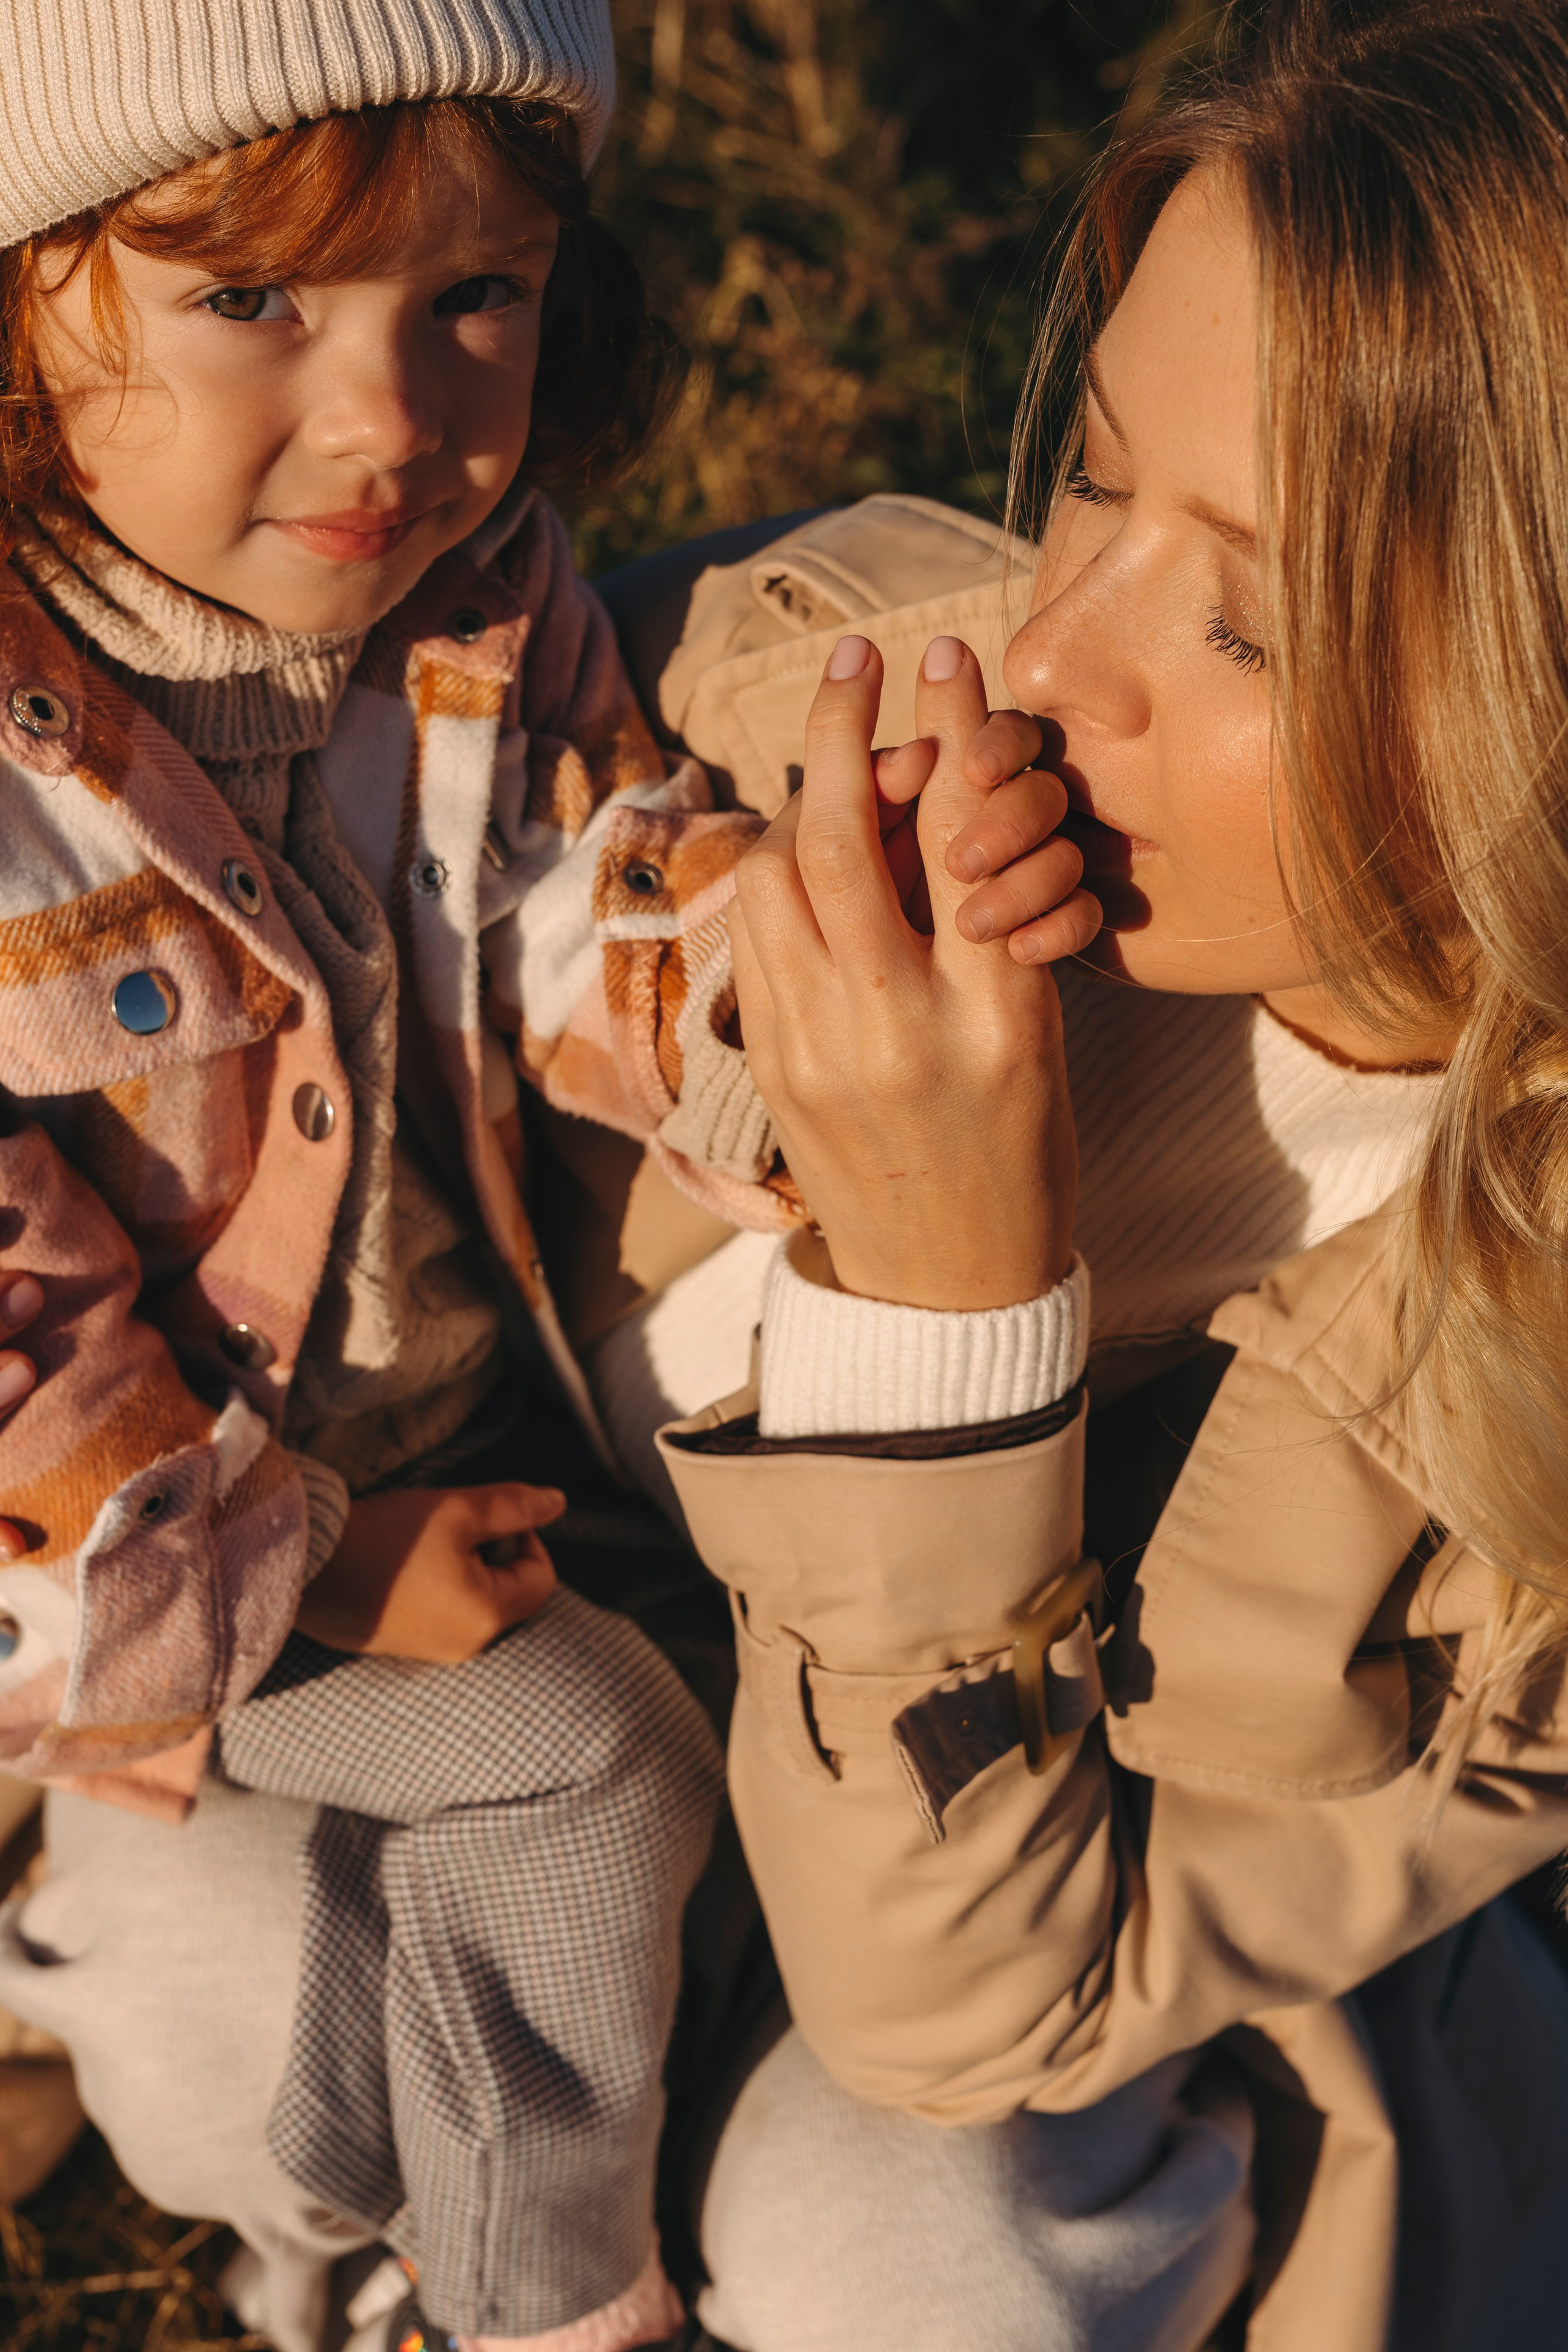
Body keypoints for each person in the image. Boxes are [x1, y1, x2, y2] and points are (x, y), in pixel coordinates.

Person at [0, 9, 1072, 2345]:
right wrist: (319, 1573)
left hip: (447, 1453)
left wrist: (820, 948)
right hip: (137, 1573)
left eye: (475, 298)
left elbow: (599, 895)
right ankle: (549, 2301)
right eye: (254, 298)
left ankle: (486, 2166)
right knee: (590, 1758)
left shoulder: (474, 608)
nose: (397, 421)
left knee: (647, 1751)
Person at [655, 4, 1568, 2348]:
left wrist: (945, 1316)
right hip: (589, 1734)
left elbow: (965, 2023)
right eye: (1083, 473)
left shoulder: (1530, 1458)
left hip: (1068, 1998)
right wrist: (692, 974)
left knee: (905, 2242)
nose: (1050, 655)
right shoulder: (822, 685)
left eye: (1249, 617)